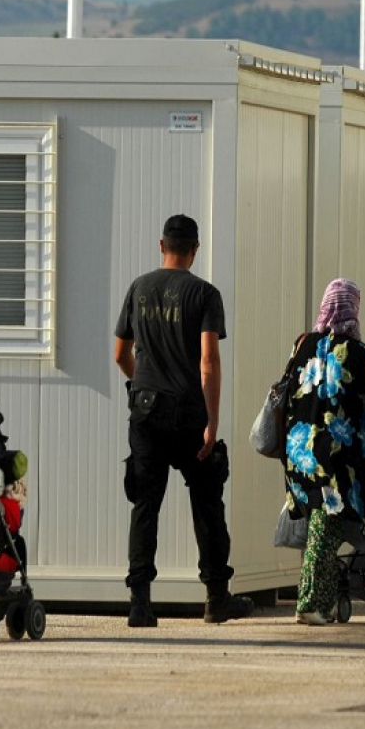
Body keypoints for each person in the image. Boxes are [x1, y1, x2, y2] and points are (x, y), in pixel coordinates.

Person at [113, 214, 254, 627]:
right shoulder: (205, 294)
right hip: (189, 411)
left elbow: (121, 355)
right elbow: (208, 360)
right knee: (207, 502)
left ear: (162, 246)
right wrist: (212, 421)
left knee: (145, 504)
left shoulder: (139, 289)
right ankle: (216, 598)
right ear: (195, 250)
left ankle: (140, 604)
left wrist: (142, 384)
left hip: (146, 410)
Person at [280, 278, 365, 626]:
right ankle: (311, 603)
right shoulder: (360, 353)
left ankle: (322, 601)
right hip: (337, 457)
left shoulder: (302, 344)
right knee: (325, 530)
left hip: (299, 451)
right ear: (353, 309)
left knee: (319, 527)